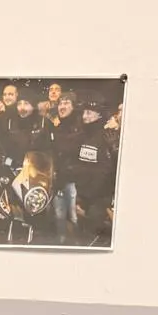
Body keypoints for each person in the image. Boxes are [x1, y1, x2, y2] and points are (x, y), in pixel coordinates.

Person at [70, 98, 118, 245]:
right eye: (84, 112)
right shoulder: (81, 135)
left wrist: (89, 200)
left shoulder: (107, 136)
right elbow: (77, 165)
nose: (85, 116)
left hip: (98, 199)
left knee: (93, 236)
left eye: (89, 113)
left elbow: (106, 171)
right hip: (81, 195)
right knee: (79, 234)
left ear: (99, 115)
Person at [44, 93, 82, 244]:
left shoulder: (78, 125)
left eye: (66, 103)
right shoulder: (55, 126)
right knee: (59, 214)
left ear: (73, 107)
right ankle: (61, 242)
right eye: (60, 103)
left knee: (74, 215)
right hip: (58, 178)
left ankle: (79, 243)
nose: (62, 106)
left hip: (73, 180)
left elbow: (68, 147)